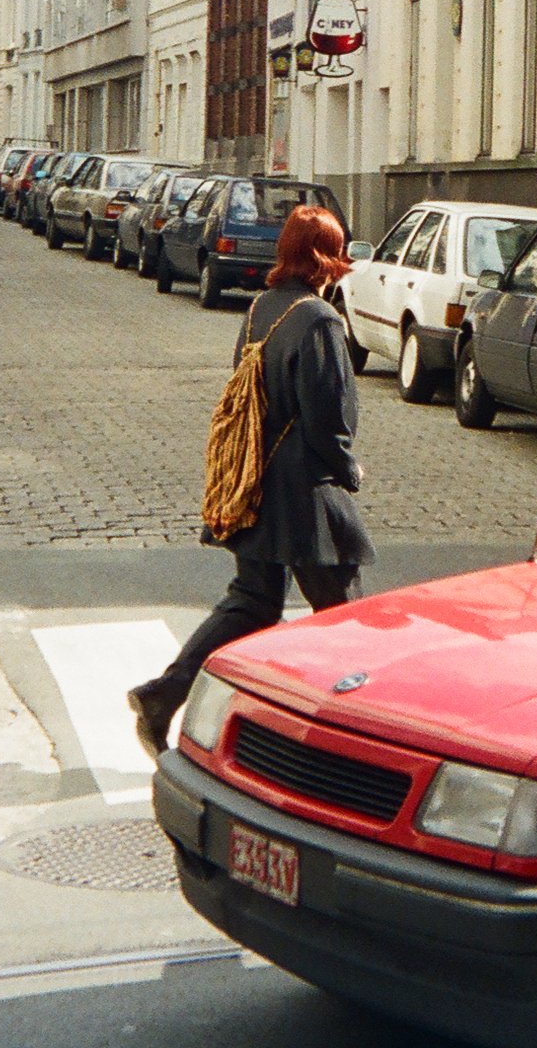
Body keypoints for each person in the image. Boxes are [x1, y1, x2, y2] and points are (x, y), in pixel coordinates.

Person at [127, 205, 372, 757]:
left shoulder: (262, 307)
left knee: (255, 600)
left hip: (255, 479)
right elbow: (328, 419)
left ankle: (164, 694)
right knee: (346, 616)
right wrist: (347, 468)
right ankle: (350, 741)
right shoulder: (320, 321)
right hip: (305, 492)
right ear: (326, 259)